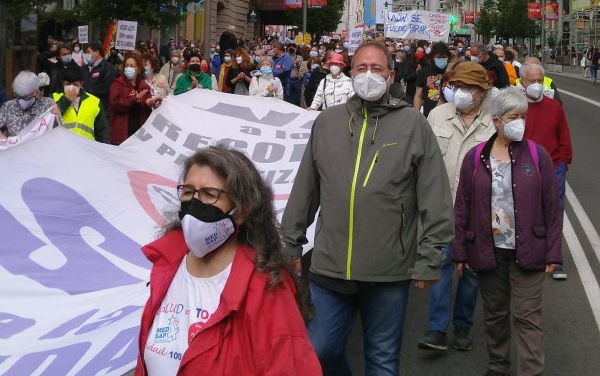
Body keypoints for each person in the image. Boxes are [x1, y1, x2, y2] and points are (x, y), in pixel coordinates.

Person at [281, 41, 454, 376]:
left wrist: (430, 257)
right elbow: (306, 188)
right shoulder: (327, 123)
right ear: (350, 72)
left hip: (388, 270)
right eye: (361, 68)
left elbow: (435, 196)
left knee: (383, 360)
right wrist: (291, 241)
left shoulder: (414, 126)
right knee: (319, 350)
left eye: (377, 69)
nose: (369, 75)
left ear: (390, 76)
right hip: (329, 266)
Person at [134, 145, 322, 376]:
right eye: (188, 191)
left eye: (210, 194)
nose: (195, 203)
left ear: (242, 211)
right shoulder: (166, 265)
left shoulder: (265, 287)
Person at [452, 87, 561, 376]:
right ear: (497, 120)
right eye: (514, 117)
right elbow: (462, 206)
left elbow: (552, 206)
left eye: (523, 117)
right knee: (495, 314)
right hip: (488, 251)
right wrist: (460, 250)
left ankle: (531, 371)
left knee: (527, 317)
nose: (520, 123)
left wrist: (553, 252)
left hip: (529, 251)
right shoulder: (475, 158)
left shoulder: (538, 157)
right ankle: (498, 364)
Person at [419, 62, 495, 352]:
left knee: (472, 273)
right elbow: (422, 160)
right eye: (457, 87)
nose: (461, 93)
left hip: (478, 214)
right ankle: (436, 329)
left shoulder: (493, 122)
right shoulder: (437, 115)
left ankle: (463, 325)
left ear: (482, 91)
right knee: (440, 267)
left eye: (468, 88)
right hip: (442, 209)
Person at [518, 63, 572, 280]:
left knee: (554, 213)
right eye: (532, 81)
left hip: (553, 167)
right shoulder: (517, 108)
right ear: (523, 83)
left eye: (540, 80)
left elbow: (564, 137)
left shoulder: (554, 107)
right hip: (524, 167)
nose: (537, 85)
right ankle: (528, 254)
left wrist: (563, 163)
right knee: (526, 212)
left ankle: (554, 259)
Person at [0, 71, 59, 137]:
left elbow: (59, 131)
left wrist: (56, 118)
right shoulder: (9, 106)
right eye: (17, 96)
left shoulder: (48, 104)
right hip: (16, 149)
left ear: (36, 92)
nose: (20, 100)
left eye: (26, 97)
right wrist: (5, 140)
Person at [52, 65, 109, 143]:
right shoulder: (54, 98)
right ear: (63, 84)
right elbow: (48, 122)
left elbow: (102, 133)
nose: (71, 88)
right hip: (61, 149)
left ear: (81, 84)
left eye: (75, 84)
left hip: (86, 150)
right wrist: (66, 100)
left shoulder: (94, 102)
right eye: (68, 84)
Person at [108, 53, 152, 145]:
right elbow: (115, 105)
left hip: (139, 134)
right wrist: (134, 98)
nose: (128, 68)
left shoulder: (145, 87)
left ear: (138, 69)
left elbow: (148, 111)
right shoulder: (117, 84)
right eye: (127, 65)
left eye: (132, 66)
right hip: (121, 135)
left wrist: (151, 103)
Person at [414, 41, 450, 117]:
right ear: (433, 57)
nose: (441, 60)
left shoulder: (451, 71)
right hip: (429, 114)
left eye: (444, 57)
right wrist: (416, 115)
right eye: (438, 57)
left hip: (448, 115)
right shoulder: (425, 71)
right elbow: (418, 96)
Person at [82, 43, 115, 115]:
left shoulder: (107, 67)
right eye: (85, 53)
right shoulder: (85, 68)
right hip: (86, 108)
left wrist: (86, 92)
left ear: (97, 52)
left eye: (88, 52)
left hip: (100, 108)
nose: (86, 55)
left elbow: (105, 87)